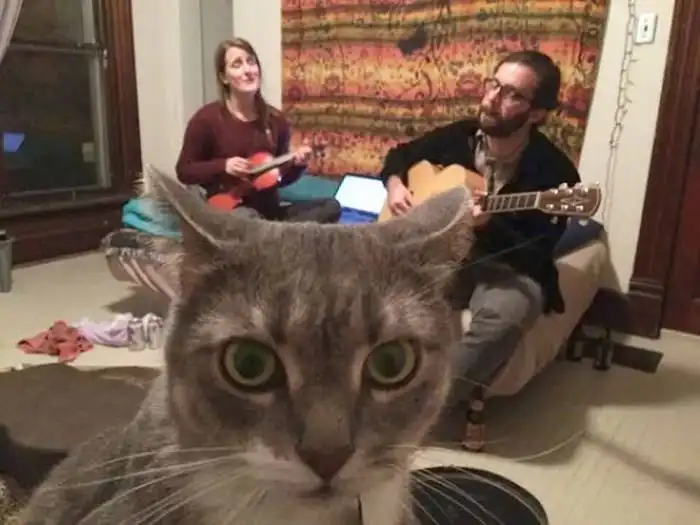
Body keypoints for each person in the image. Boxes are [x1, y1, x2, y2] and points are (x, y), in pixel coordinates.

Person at [379, 50, 581, 395]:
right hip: (445, 254)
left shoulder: (555, 173)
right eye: (493, 85)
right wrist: (395, 184)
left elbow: (537, 255)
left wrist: (489, 225)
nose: (491, 99)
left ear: (537, 113)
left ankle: (423, 403)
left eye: (512, 94)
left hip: (505, 267)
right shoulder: (460, 135)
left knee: (507, 315)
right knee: (380, 292)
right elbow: (400, 155)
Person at [175, 38, 341, 223]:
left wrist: (297, 165)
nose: (248, 70)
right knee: (247, 218)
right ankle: (276, 234)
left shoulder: (276, 120)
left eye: (251, 62)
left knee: (331, 206)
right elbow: (184, 171)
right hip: (231, 212)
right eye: (237, 64)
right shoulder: (206, 119)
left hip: (269, 212)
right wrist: (224, 166)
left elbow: (278, 179)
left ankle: (275, 233)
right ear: (224, 77)